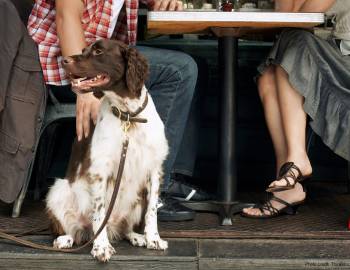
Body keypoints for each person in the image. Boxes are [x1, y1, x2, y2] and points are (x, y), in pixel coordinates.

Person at [27, 0, 203, 221]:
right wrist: (85, 84)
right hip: (60, 64)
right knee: (180, 70)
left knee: (195, 66)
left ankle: (173, 178)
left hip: (99, 61)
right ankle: (149, 193)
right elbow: (66, 17)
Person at [242, 0, 350, 218]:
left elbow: (298, 19)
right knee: (268, 78)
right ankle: (289, 183)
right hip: (331, 51)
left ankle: (297, 161)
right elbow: (287, 14)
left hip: (344, 57)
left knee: (294, 42)